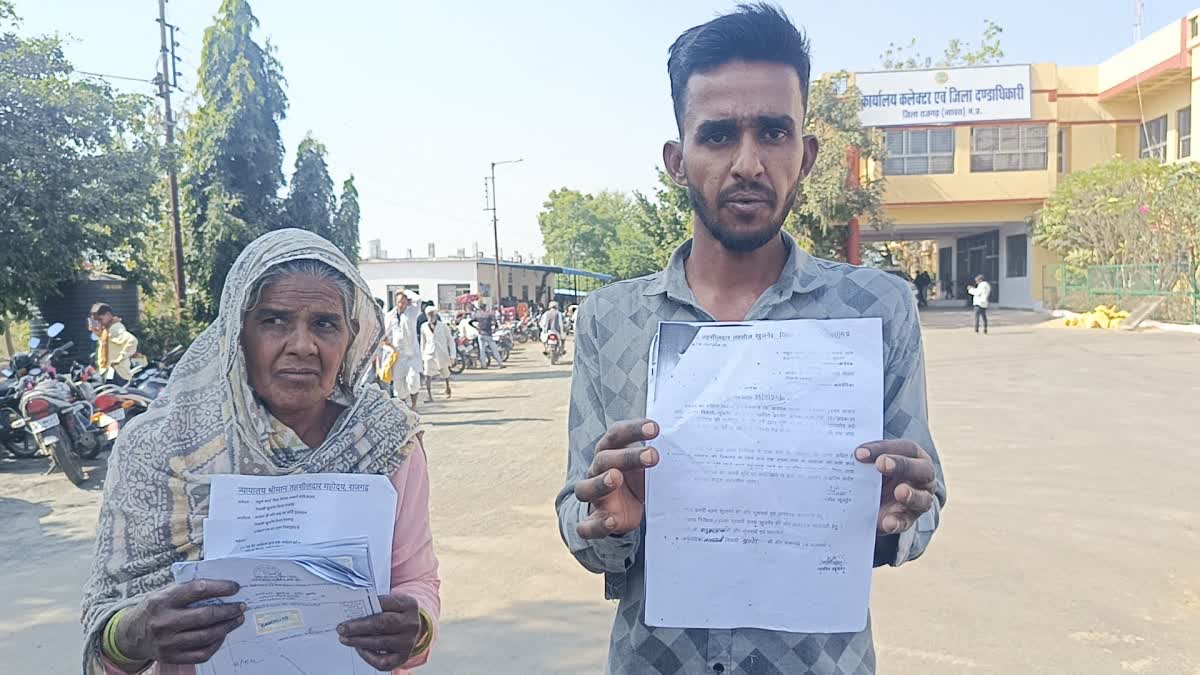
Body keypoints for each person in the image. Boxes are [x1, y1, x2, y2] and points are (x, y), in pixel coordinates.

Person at [554, 6, 945, 674]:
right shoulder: (610, 318)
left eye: (772, 131)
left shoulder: (877, 309)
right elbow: (576, 508)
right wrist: (609, 518)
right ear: (678, 160)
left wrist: (897, 514)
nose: (747, 163)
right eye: (717, 135)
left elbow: (923, 500)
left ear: (806, 154)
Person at [81, 230, 439, 674]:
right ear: (237, 334)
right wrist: (135, 632)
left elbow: (415, 579)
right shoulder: (160, 447)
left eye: (325, 323)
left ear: (351, 338)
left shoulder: (383, 439)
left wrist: (416, 625)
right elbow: (107, 640)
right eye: (274, 320)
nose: (303, 344)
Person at [385, 290, 422, 408]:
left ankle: (414, 406)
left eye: (404, 302)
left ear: (407, 302)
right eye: (399, 302)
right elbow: (384, 333)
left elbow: (418, 299)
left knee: (413, 380)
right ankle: (404, 409)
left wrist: (405, 291)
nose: (402, 304)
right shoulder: (390, 316)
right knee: (399, 385)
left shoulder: (412, 312)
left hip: (412, 354)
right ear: (396, 302)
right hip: (398, 355)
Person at [89, 303, 139, 386]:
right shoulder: (107, 330)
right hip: (109, 372)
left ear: (108, 315)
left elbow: (132, 341)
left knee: (115, 396)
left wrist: (120, 358)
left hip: (118, 373)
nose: (99, 323)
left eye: (100, 319)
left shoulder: (116, 329)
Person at [420, 306, 454, 402]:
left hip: (441, 353)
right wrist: (422, 356)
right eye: (429, 315)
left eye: (432, 314)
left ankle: (447, 387)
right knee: (427, 374)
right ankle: (429, 395)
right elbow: (423, 342)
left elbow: (450, 340)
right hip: (429, 353)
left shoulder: (443, 326)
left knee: (445, 372)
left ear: (435, 315)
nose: (431, 317)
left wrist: (453, 355)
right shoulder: (423, 326)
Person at [469, 302, 504, 369]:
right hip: (488, 334)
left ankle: (483, 365)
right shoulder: (489, 315)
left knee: (482, 350)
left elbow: (470, 322)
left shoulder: (478, 315)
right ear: (485, 307)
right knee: (494, 349)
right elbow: (495, 323)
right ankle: (500, 363)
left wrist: (477, 328)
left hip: (481, 334)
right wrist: (494, 328)